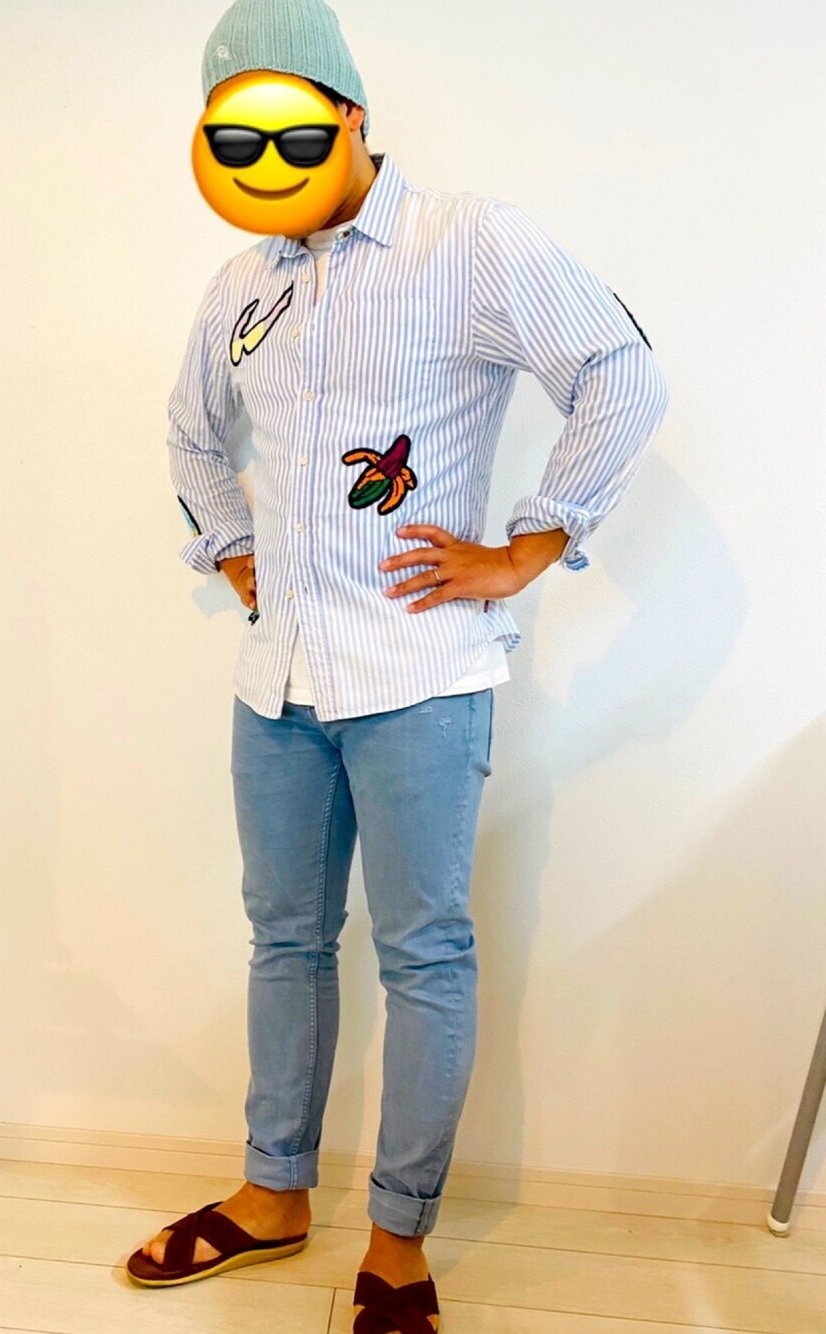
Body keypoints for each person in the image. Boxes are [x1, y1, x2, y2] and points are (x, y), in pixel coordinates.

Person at [126, 1, 669, 1328]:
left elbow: (620, 371)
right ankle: (272, 1193)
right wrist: (234, 549)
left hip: (420, 675)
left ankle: (398, 1238)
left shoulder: (466, 242)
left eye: (286, 125)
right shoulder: (244, 285)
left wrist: (530, 545)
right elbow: (191, 433)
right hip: (277, 688)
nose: (264, 159)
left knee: (423, 953)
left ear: (350, 117)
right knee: (285, 940)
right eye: (235, 134)